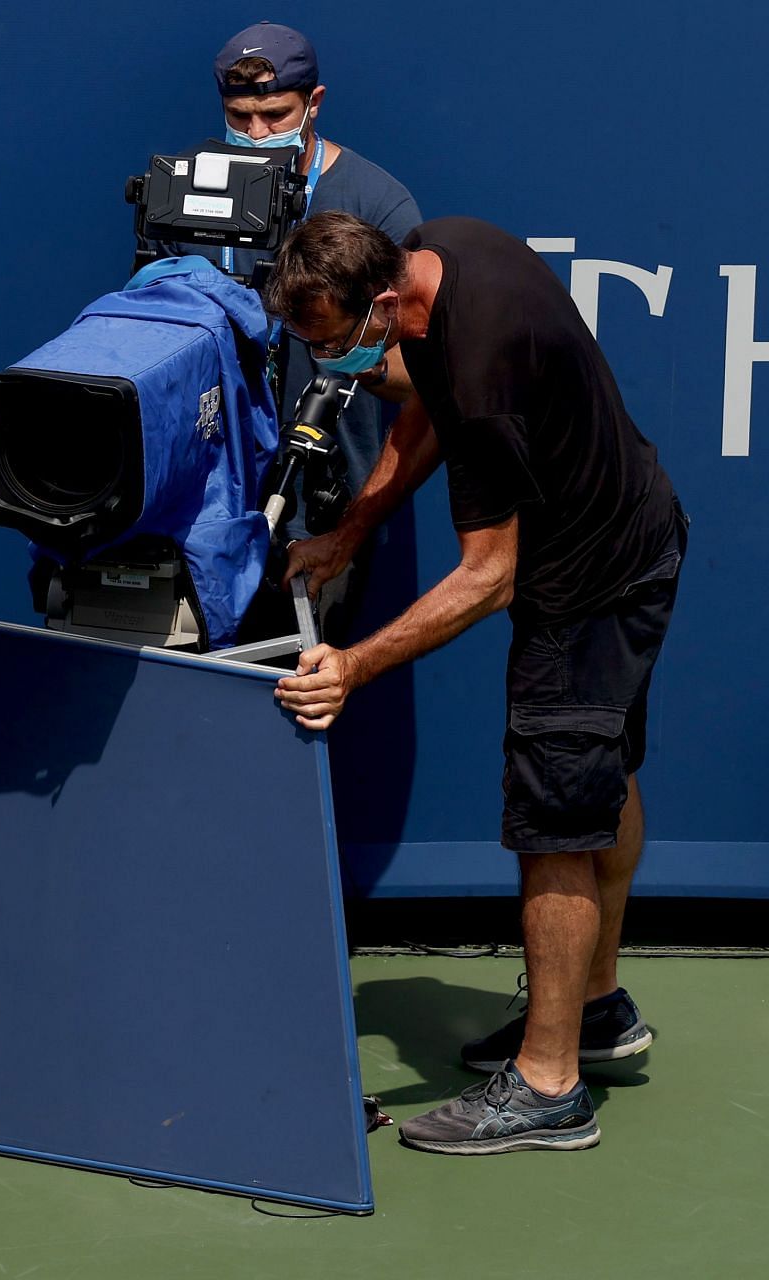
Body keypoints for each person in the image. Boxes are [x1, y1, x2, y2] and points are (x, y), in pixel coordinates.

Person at [266, 211, 685, 1155]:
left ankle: (549, 1086)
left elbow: (489, 576)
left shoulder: (485, 369)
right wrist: (352, 528)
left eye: (334, 343)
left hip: (587, 587)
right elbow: (427, 410)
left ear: (382, 302)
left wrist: (354, 666)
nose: (332, 366)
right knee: (600, 776)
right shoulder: (443, 248)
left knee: (554, 825)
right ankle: (595, 1008)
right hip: (635, 535)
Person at [203, 23, 422, 636]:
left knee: (298, 705)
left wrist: (352, 355)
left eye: (275, 115)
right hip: (208, 508)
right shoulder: (192, 196)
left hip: (322, 509)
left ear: (314, 104)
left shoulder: (379, 203)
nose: (255, 133)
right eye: (239, 116)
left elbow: (418, 375)